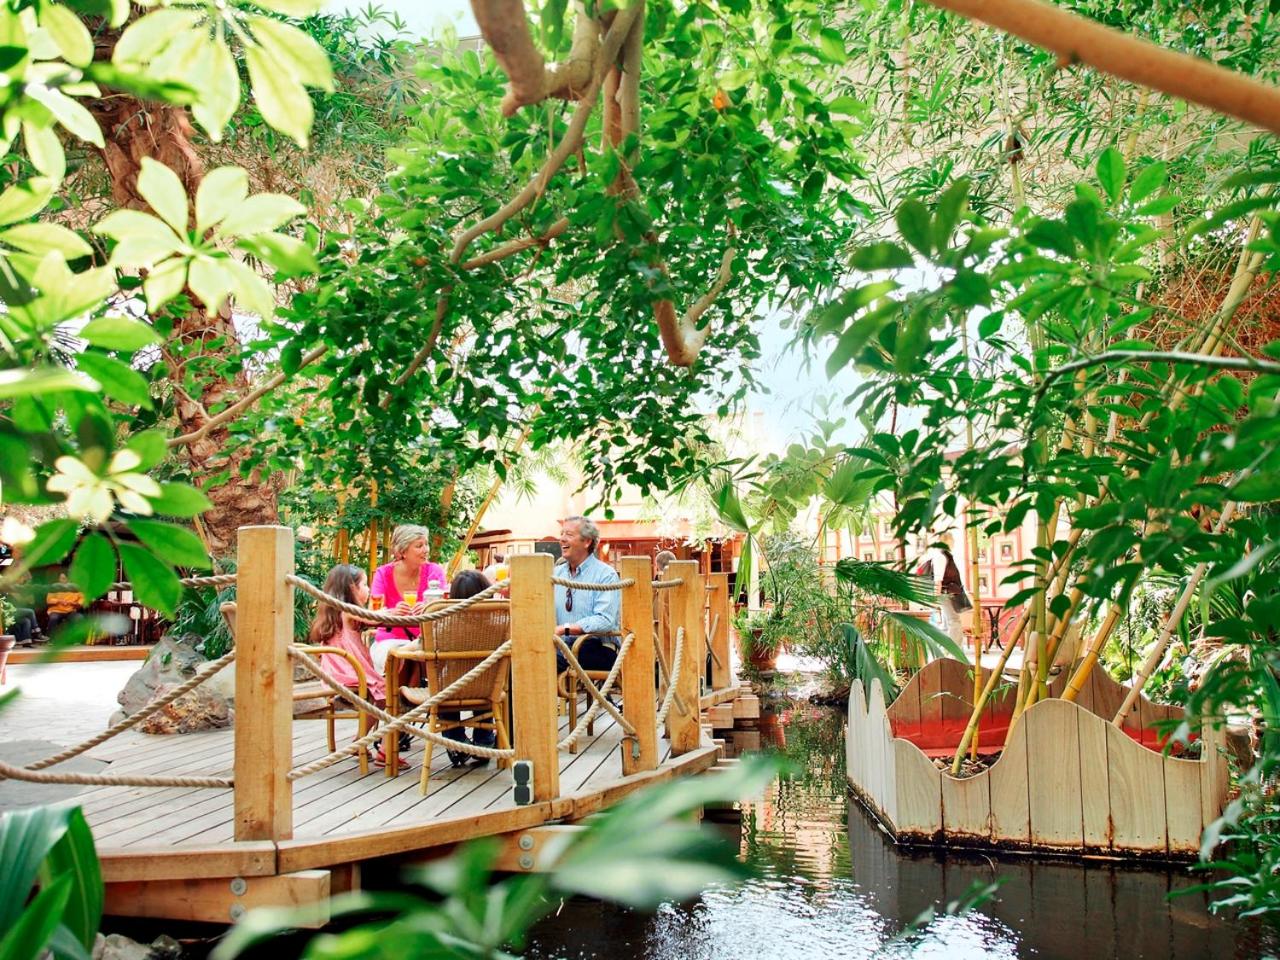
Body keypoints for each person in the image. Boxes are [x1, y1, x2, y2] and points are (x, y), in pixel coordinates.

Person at [306, 564, 402, 770]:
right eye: (365, 585)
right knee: (389, 694)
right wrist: (394, 611)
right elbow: (374, 618)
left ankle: (362, 741)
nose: (368, 589)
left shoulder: (334, 614)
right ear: (351, 588)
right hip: (349, 674)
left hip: (337, 674)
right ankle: (374, 745)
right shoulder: (348, 612)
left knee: (383, 694)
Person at [435, 569, 498, 768]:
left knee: (442, 694)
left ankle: (456, 740)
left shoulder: (445, 626)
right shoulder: (499, 623)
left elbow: (428, 652)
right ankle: (484, 739)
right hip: (488, 688)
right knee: (488, 683)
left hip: (451, 689)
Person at [368, 524, 448, 677]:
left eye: (426, 544)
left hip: (428, 639)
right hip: (391, 639)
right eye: (419, 546)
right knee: (400, 657)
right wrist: (392, 612)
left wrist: (428, 608)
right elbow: (373, 613)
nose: (426, 550)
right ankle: (398, 690)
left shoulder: (434, 572)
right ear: (402, 551)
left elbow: (445, 607)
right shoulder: (383, 574)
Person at [553, 516, 621, 673]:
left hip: (597, 647)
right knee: (521, 658)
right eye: (562, 534)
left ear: (587, 542)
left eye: (569, 534)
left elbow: (605, 620)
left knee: (545, 660)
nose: (562, 539)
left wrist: (565, 629)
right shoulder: (555, 574)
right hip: (561, 647)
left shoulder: (605, 574)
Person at [920, 538, 969, 647]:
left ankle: (949, 650)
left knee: (948, 622)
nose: (954, 543)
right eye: (952, 541)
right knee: (953, 621)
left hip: (946, 592)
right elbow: (938, 579)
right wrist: (935, 597)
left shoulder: (944, 555)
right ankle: (955, 650)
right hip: (946, 593)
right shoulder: (941, 556)